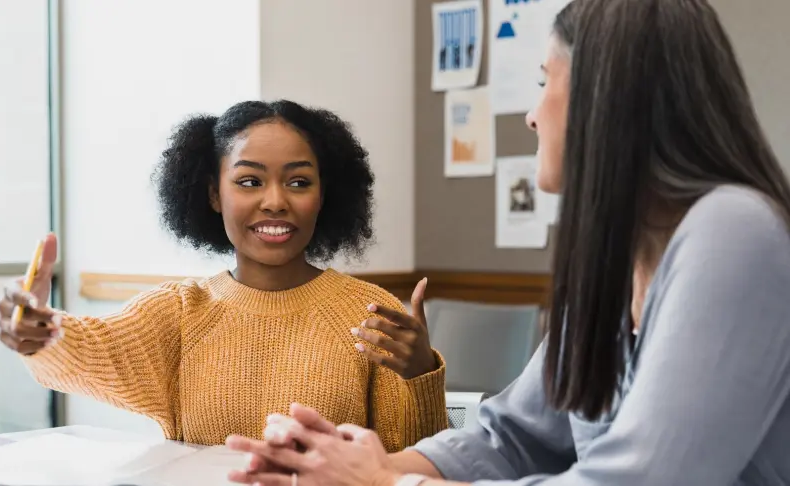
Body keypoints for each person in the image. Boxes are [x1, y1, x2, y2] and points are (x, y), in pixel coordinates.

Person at [225, 0, 790, 484]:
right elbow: (514, 435)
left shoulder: (735, 231)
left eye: (546, 83)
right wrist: (347, 464)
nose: (531, 115)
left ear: (606, 101)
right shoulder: (613, 267)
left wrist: (384, 480)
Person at [0, 100, 448, 449]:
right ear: (214, 195)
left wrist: (421, 375)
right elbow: (89, 349)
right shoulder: (179, 312)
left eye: (298, 182)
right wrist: (41, 331)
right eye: (250, 181)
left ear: (325, 195)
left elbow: (416, 466)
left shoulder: (371, 314)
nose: (275, 201)